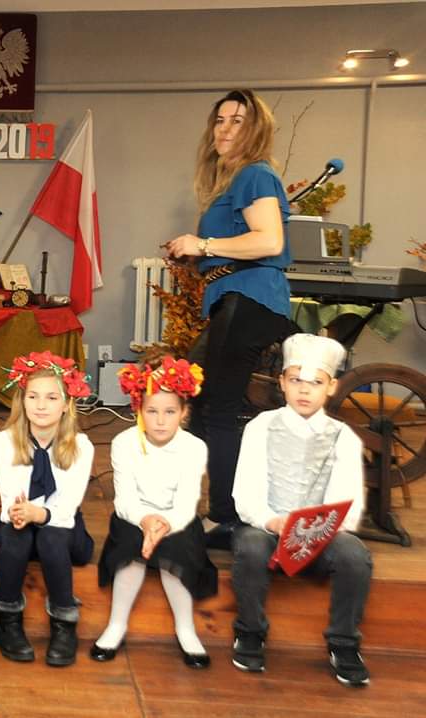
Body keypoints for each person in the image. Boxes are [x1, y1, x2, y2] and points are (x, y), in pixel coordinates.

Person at [166, 89, 295, 549]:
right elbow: (239, 245)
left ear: (256, 129)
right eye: (220, 120)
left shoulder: (256, 174)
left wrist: (202, 245)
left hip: (250, 298)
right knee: (199, 398)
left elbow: (269, 241)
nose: (224, 128)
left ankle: (227, 517)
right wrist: (198, 256)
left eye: (237, 120)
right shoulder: (237, 179)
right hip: (234, 297)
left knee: (217, 407)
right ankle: (221, 505)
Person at [231, 333, 371, 687]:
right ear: (281, 382)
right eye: (295, 380)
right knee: (249, 546)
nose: (304, 390)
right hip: (269, 528)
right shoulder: (260, 427)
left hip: (321, 534)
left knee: (355, 556)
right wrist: (271, 520)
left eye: (316, 383)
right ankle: (250, 631)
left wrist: (317, 528)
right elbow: (245, 490)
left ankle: (343, 642)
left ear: (332, 387)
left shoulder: (343, 436)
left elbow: (348, 502)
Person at [91, 356, 217, 668]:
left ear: (184, 413)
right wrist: (146, 521)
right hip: (135, 516)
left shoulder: (194, 447)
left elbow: (187, 502)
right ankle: (116, 624)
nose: (160, 420)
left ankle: (185, 628)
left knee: (176, 551)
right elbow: (125, 499)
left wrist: (164, 525)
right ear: (139, 410)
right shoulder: (124, 443)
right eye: (152, 411)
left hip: (177, 519)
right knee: (131, 548)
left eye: (170, 412)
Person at [0, 352, 95, 667]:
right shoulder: (6, 441)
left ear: (66, 404)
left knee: (51, 537)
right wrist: (21, 513)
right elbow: (10, 496)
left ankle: (64, 622)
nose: (41, 405)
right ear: (22, 402)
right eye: (33, 396)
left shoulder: (81, 446)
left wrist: (41, 515)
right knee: (16, 538)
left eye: (51, 397)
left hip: (61, 525)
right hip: (18, 520)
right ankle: (8, 621)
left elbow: (68, 505)